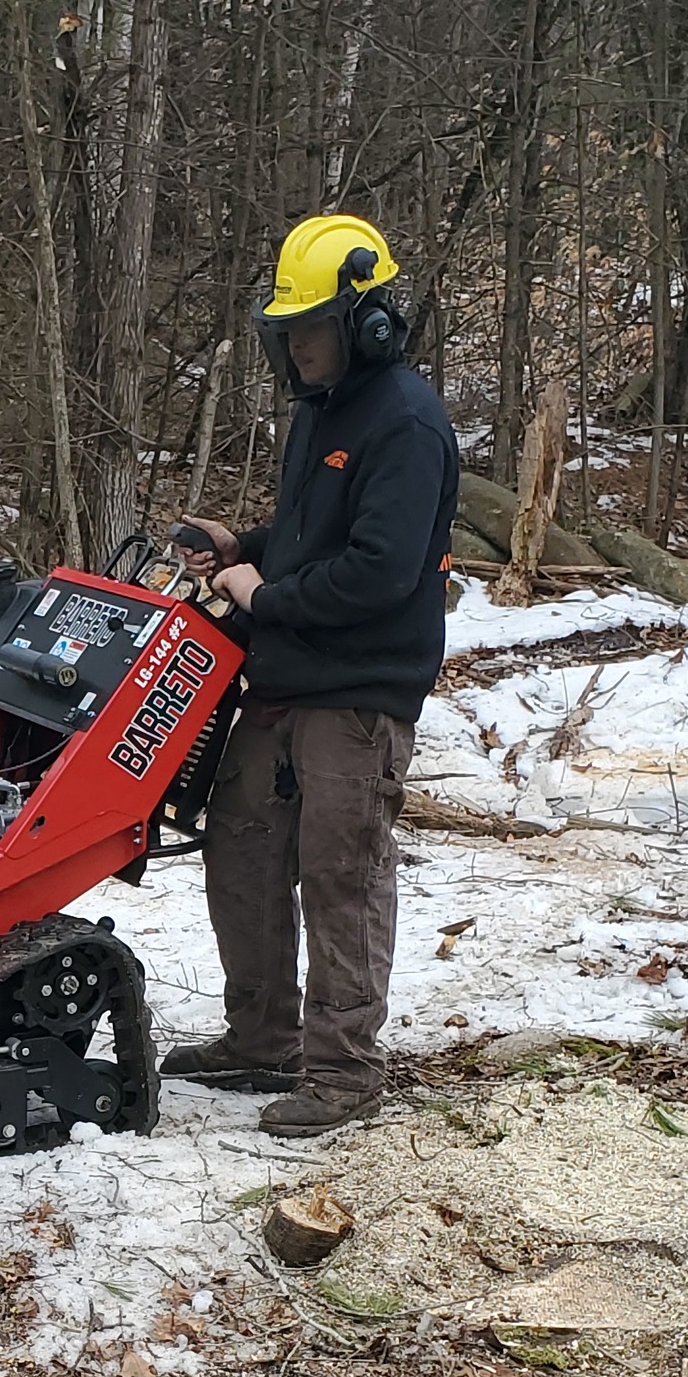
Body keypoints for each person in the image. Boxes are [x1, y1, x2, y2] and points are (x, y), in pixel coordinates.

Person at [166, 212, 458, 1138]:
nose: (297, 347)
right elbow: (305, 541)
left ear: (368, 319)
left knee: (342, 873)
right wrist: (241, 548)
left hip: (357, 692)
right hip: (284, 679)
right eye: (286, 331)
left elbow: (379, 571)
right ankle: (262, 1036)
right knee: (243, 852)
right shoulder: (320, 414)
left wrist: (264, 595)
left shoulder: (406, 421)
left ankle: (343, 1071)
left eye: (313, 327)